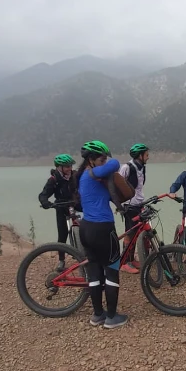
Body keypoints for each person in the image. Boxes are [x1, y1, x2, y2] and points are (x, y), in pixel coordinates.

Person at [74, 140, 128, 329]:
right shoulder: (93, 173)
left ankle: (97, 315)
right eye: (101, 159)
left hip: (86, 228)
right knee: (112, 270)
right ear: (91, 159)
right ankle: (112, 317)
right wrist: (108, 161)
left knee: (94, 272)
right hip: (103, 228)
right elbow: (116, 164)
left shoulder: (83, 177)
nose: (104, 162)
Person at [38, 154, 78, 270]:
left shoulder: (75, 176)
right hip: (61, 205)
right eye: (67, 166)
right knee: (62, 234)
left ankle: (83, 251)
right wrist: (45, 203)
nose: (70, 168)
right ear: (59, 167)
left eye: (70, 166)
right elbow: (43, 194)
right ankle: (61, 260)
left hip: (74, 203)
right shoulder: (54, 179)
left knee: (85, 225)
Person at [117, 143, 149, 274]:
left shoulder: (142, 168)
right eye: (146, 155)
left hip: (139, 204)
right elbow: (118, 184)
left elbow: (139, 187)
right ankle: (124, 262)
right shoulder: (127, 167)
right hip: (129, 206)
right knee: (129, 233)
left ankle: (131, 258)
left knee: (136, 232)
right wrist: (119, 205)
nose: (148, 157)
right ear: (140, 155)